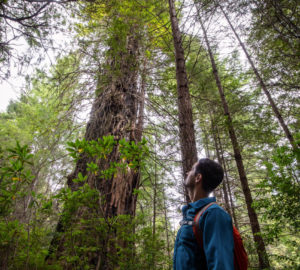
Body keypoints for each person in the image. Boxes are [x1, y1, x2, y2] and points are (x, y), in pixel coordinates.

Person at [173, 158, 234, 270]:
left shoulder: (214, 214)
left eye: (192, 170)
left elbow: (222, 265)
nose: (187, 172)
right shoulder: (192, 214)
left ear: (198, 177)